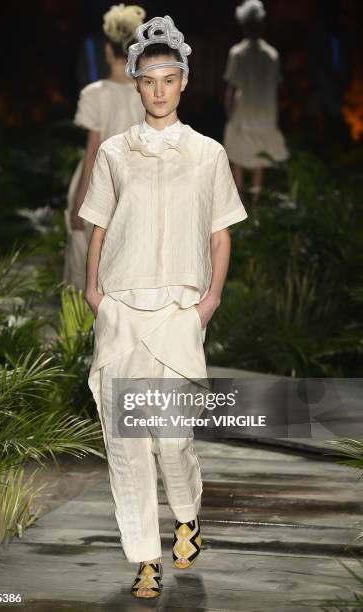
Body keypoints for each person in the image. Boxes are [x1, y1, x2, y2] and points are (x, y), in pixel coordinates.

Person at [78, 15, 248, 598]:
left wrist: (210, 301)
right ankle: (144, 558)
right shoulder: (115, 154)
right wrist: (95, 293)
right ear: (135, 83)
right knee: (126, 444)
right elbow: (98, 226)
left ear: (183, 82)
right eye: (147, 80)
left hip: (178, 310)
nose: (157, 89)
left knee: (172, 438)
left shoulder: (208, 153)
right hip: (122, 306)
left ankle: (186, 515)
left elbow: (221, 233)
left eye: (167, 78)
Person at [64, 3, 146, 291]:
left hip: (99, 185)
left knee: (86, 263)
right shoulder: (147, 92)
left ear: (107, 51)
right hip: (137, 185)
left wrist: (79, 204)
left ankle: (82, 332)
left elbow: (93, 152)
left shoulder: (94, 94)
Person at [222, 0, 288, 203]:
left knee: (238, 159)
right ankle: (256, 204)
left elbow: (231, 88)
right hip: (265, 114)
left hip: (242, 113)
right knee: (259, 160)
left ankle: (241, 202)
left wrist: (228, 111)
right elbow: (276, 87)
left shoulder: (238, 53)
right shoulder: (272, 54)